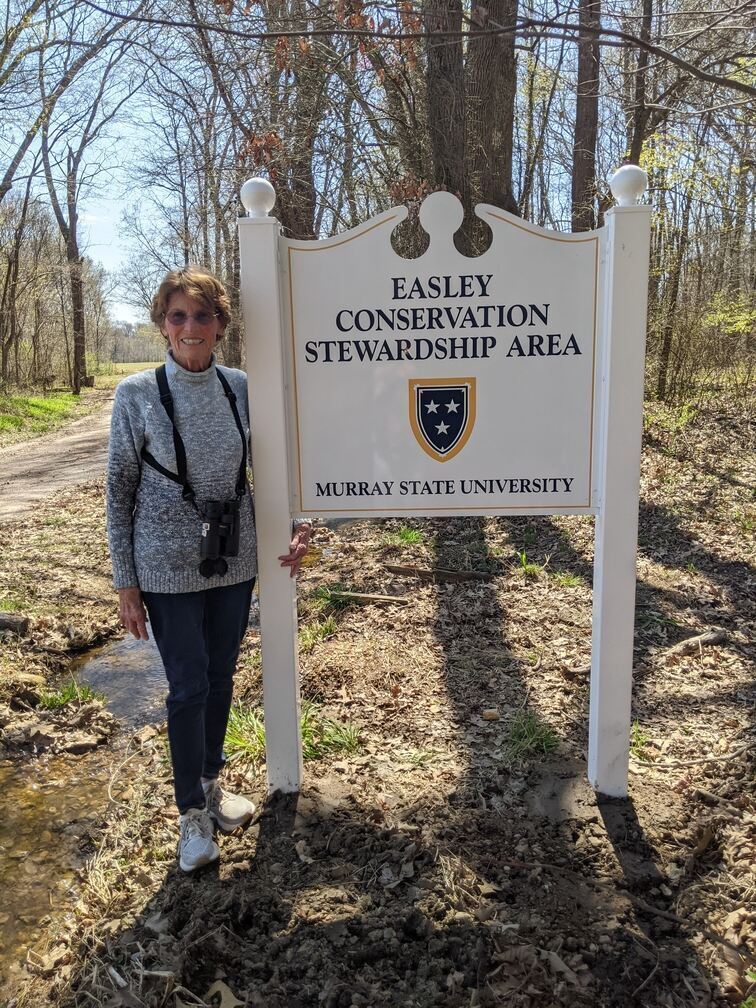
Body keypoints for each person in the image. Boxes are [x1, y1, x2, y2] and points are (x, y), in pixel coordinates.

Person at [106, 266, 311, 873]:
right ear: (162, 325)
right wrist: (126, 582)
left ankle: (211, 784)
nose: (190, 327)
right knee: (188, 684)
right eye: (178, 316)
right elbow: (119, 491)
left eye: (202, 315)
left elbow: (277, 469)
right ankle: (191, 815)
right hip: (165, 568)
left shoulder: (242, 388)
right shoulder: (137, 395)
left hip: (234, 558)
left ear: (220, 324)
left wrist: (300, 529)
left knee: (221, 675)